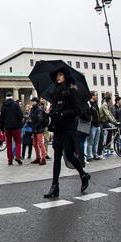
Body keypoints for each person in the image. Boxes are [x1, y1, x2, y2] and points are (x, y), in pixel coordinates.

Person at [43, 68, 91, 199]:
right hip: (59, 128)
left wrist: (63, 113)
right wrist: (52, 113)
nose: (58, 77)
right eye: (57, 75)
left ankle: (83, 174)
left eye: (60, 74)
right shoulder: (55, 92)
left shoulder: (71, 91)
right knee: (57, 156)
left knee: (70, 156)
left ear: (65, 77)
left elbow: (78, 110)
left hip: (69, 129)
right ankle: (55, 186)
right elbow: (57, 110)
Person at [0, 92, 24, 165]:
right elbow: (20, 116)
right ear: (12, 97)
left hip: (7, 128)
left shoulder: (3, 106)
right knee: (18, 142)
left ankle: (10, 160)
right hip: (16, 127)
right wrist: (19, 122)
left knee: (9, 144)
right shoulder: (16, 105)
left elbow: (1, 118)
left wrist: (2, 128)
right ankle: (18, 157)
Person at [29, 97, 48, 165]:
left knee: (40, 144)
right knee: (34, 144)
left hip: (39, 129)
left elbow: (40, 120)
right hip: (34, 128)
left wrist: (35, 127)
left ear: (36, 102)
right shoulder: (32, 109)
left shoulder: (38, 109)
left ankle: (43, 159)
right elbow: (32, 118)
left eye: (33, 101)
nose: (32, 102)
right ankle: (38, 157)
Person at [99, 92, 117, 157]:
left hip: (104, 122)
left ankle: (107, 145)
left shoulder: (106, 105)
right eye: (110, 100)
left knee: (110, 129)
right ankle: (106, 146)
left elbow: (110, 114)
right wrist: (114, 122)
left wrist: (115, 121)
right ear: (109, 100)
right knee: (103, 134)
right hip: (101, 122)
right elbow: (107, 114)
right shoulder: (104, 105)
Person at [85, 91, 101, 161]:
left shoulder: (95, 103)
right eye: (95, 95)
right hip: (93, 126)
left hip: (97, 125)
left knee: (96, 141)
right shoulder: (89, 104)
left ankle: (95, 154)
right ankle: (89, 156)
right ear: (92, 96)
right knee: (90, 141)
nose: (96, 96)